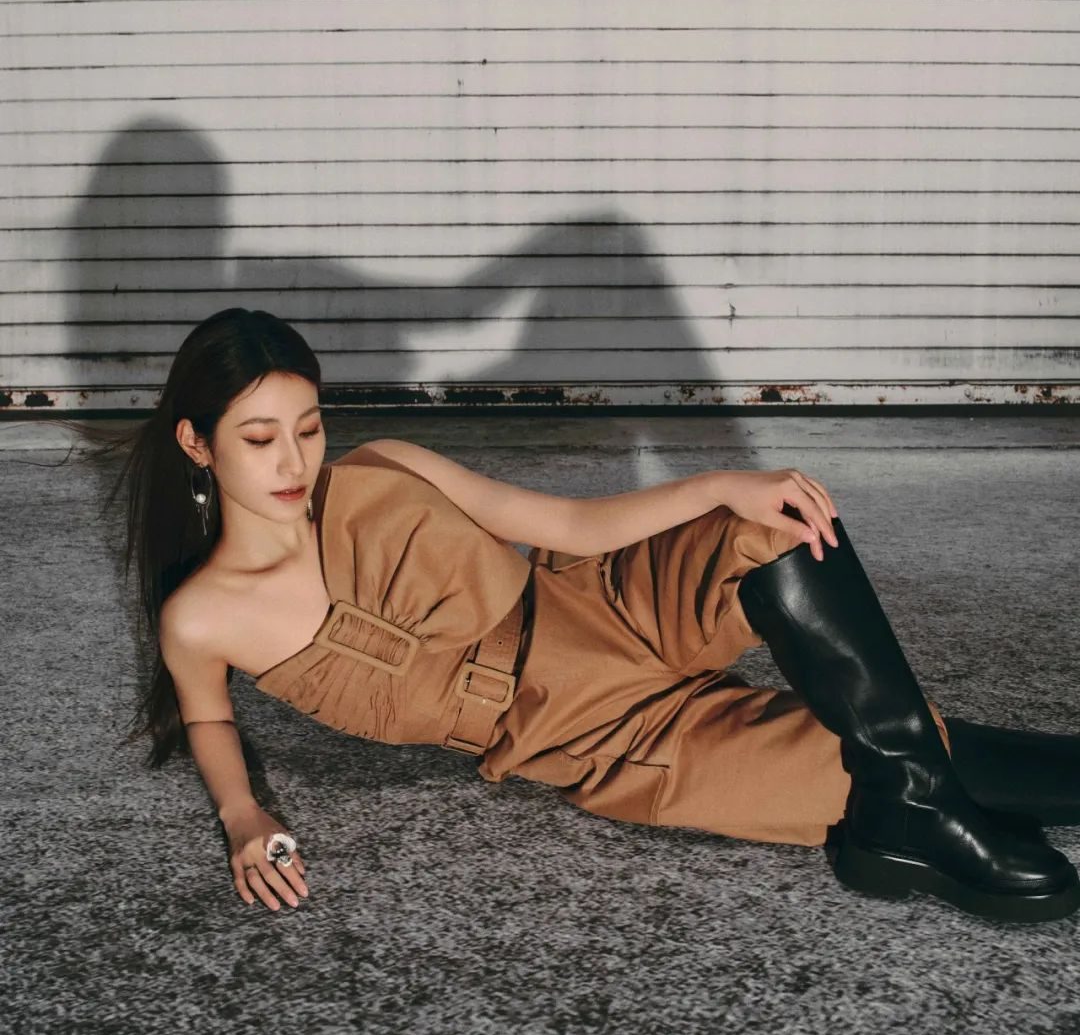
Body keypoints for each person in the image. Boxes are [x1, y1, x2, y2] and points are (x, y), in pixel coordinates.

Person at [85, 308, 1080, 925]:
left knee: (773, 527)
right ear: (196, 443)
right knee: (852, 766)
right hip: (591, 734)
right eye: (259, 438)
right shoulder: (203, 616)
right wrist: (245, 816)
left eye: (307, 428)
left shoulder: (384, 467)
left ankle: (910, 804)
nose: (295, 461)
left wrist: (721, 484)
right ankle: (911, 793)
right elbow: (208, 715)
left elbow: (565, 525)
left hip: (604, 606)